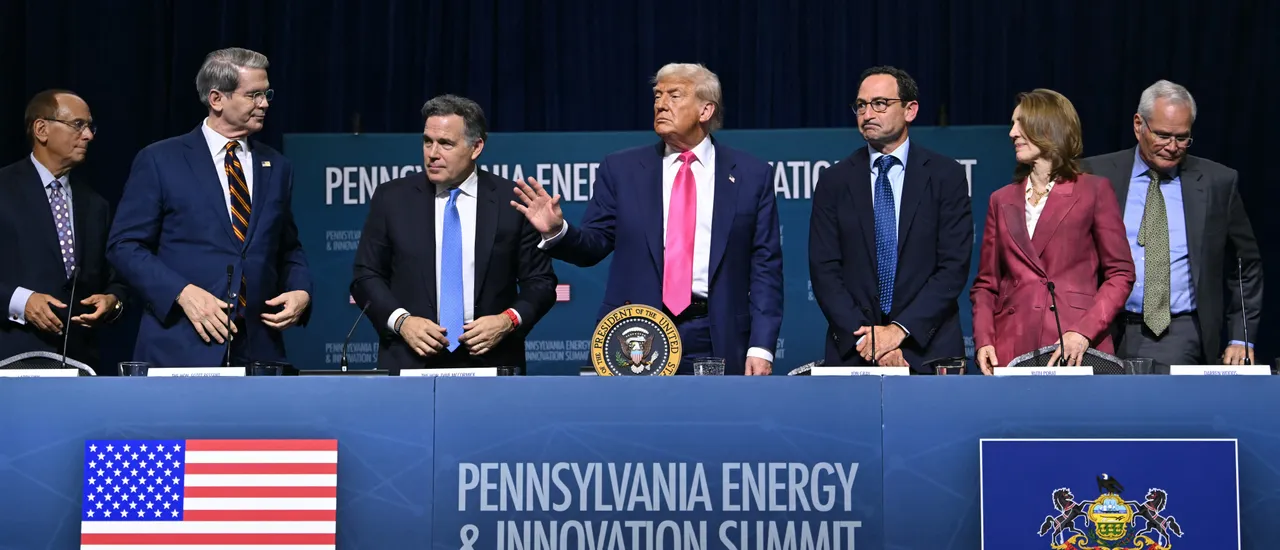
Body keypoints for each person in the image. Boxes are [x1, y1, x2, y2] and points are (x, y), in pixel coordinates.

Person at [511, 63, 782, 376]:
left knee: (716, 423)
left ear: (705, 110)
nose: (661, 104)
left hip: (715, 334)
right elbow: (593, 245)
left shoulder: (751, 174)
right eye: (657, 96)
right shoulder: (621, 169)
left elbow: (765, 269)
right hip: (635, 332)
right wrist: (559, 230)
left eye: (674, 95)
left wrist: (761, 346)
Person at [107, 47, 312, 367]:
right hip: (180, 345)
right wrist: (182, 293)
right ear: (217, 99)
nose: (265, 103)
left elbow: (287, 248)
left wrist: (301, 290)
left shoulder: (278, 166)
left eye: (266, 93)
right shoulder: (161, 160)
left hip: (259, 351)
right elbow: (124, 246)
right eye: (254, 95)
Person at [351, 95, 557, 373]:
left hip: (492, 362)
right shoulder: (392, 198)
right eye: (427, 141)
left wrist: (507, 320)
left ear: (476, 147)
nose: (432, 153)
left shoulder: (512, 202)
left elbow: (541, 283)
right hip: (409, 360)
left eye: (445, 143)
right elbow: (366, 276)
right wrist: (402, 322)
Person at [1081, 80, 1262, 367]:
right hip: (1100, 329)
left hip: (1179, 332)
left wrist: (1241, 337)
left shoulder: (1218, 182)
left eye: (1182, 138)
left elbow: (1245, 265)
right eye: (1163, 135)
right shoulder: (1092, 174)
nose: (1172, 147)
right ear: (1138, 125)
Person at [808, 66, 974, 372]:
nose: (867, 113)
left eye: (880, 103)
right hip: (854, 348)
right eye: (860, 105)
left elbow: (952, 267)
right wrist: (870, 342)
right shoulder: (834, 181)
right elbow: (824, 271)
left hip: (928, 348)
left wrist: (898, 331)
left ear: (910, 110)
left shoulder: (946, 176)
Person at [971, 89, 1135, 373]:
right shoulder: (1001, 199)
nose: (1012, 133)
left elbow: (1121, 274)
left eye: (1020, 123)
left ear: (1048, 127)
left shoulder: (1094, 191)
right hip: (1013, 348)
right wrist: (984, 338)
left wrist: (1084, 331)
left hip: (1074, 346)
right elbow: (987, 284)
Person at [0, 90, 127, 367]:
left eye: (90, 127)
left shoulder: (95, 205)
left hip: (78, 364)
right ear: (42, 129)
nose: (89, 136)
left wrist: (111, 301)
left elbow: (115, 278)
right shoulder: (3, 189)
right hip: (10, 358)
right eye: (78, 125)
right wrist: (19, 301)